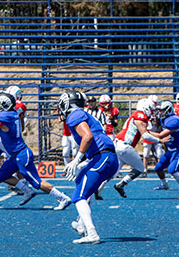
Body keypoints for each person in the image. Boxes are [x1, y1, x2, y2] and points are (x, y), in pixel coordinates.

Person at [0, 93, 72, 209]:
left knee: (37, 182)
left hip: (21, 155)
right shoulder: (10, 114)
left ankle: (62, 197)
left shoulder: (6, 116)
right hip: (14, 155)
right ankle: (27, 191)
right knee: (2, 175)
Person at [59, 90, 119, 244]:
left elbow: (88, 137)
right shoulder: (84, 114)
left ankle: (91, 233)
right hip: (106, 156)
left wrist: (76, 159)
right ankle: (81, 224)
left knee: (78, 196)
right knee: (83, 184)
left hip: (102, 156)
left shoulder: (74, 115)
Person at [113, 98, 166, 198]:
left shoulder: (137, 115)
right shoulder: (139, 115)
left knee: (113, 172)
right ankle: (121, 184)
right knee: (140, 168)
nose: (152, 112)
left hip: (118, 143)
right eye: (151, 109)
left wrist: (159, 135)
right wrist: (160, 140)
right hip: (124, 145)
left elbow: (147, 132)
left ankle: (98, 188)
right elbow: (145, 135)